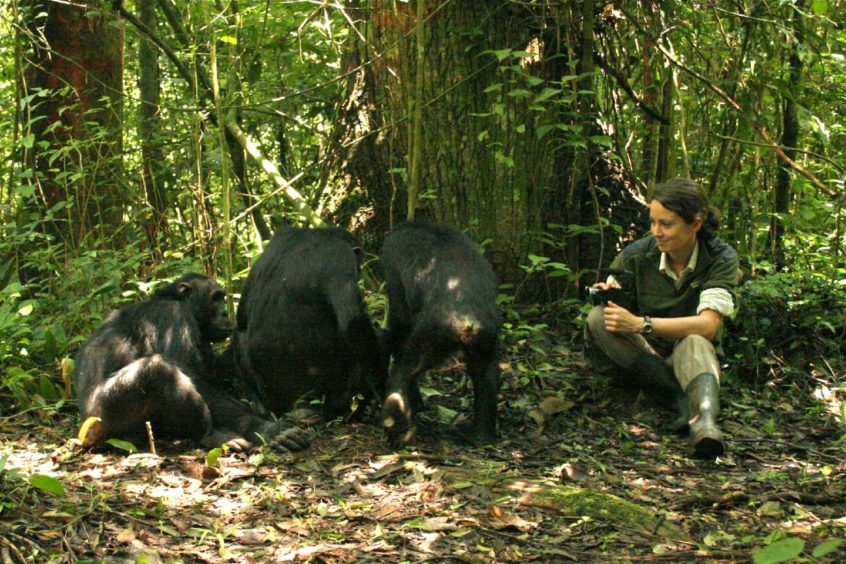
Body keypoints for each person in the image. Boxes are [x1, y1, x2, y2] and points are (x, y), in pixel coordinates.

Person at [585, 177, 739, 458]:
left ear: (696, 223)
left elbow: (709, 325)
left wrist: (641, 324)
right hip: (646, 353)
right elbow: (614, 296)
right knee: (598, 318)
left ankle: (704, 423)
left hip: (688, 351)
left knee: (696, 340)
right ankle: (675, 396)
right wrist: (608, 294)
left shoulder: (719, 258)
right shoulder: (638, 254)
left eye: (666, 224)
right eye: (653, 222)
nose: (657, 232)